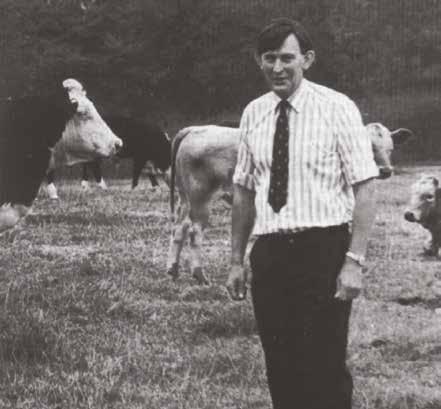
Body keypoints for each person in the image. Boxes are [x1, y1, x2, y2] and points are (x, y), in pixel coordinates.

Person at [226, 18, 378, 409]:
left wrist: (354, 262)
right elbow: (243, 191)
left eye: (287, 58)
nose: (277, 68)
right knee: (281, 364)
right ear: (259, 61)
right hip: (270, 253)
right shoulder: (253, 113)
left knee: (324, 366)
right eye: (269, 58)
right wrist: (236, 261)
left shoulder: (337, 108)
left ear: (307, 59)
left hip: (322, 250)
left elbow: (365, 188)